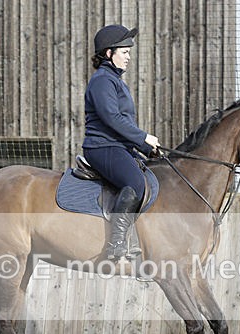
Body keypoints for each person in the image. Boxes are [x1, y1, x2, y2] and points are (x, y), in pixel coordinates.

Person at [83, 24, 160, 261]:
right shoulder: (102, 81)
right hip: (102, 147)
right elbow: (111, 118)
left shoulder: (115, 81)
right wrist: (143, 137)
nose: (128, 57)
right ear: (109, 53)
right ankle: (116, 244)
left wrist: (147, 148)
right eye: (124, 52)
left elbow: (122, 122)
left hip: (118, 146)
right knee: (135, 181)